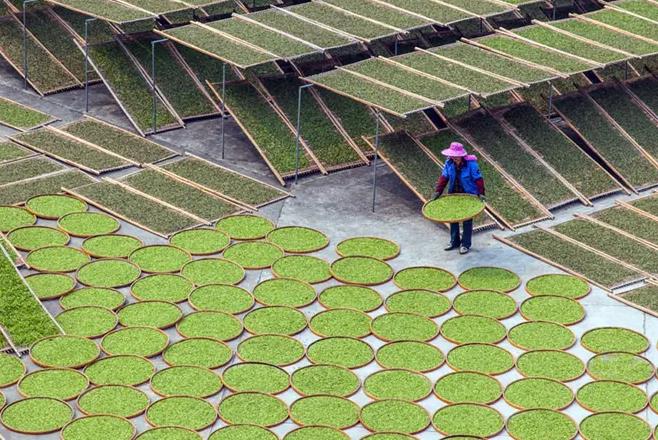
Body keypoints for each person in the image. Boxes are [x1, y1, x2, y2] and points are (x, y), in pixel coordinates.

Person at [434, 142, 485, 255]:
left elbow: (478, 179)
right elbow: (444, 177)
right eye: (453, 156)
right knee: (453, 217)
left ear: (461, 155)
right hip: (454, 193)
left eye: (456, 156)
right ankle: (454, 241)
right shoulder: (449, 163)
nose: (454, 158)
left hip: (468, 194)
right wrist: (438, 191)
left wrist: (481, 193)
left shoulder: (471, 164)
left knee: (467, 219)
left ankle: (465, 244)